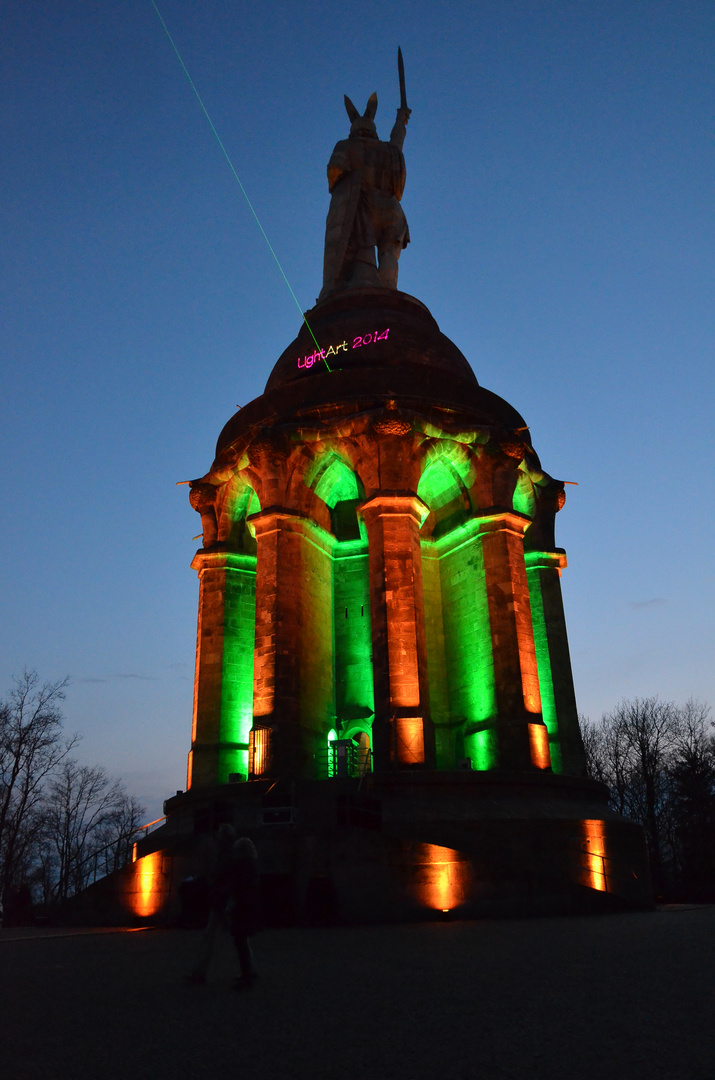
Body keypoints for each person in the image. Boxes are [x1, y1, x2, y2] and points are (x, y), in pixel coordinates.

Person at [319, 93, 411, 299]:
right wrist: (401, 120)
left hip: (365, 205)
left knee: (365, 249)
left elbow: (335, 170)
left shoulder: (346, 145)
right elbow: (397, 141)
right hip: (391, 208)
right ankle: (388, 293)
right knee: (389, 252)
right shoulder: (387, 149)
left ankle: (366, 285)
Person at [186, 822, 237, 984]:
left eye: (220, 833)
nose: (217, 836)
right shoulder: (223, 853)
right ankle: (199, 971)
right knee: (231, 936)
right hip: (220, 899)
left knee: (234, 936)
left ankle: (199, 972)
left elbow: (231, 878)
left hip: (223, 900)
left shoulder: (229, 855)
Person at [230, 837, 261, 990]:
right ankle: (249, 972)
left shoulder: (242, 866)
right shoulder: (252, 865)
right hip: (250, 906)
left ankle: (246, 976)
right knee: (243, 941)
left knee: (240, 941)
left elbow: (240, 887)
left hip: (242, 907)